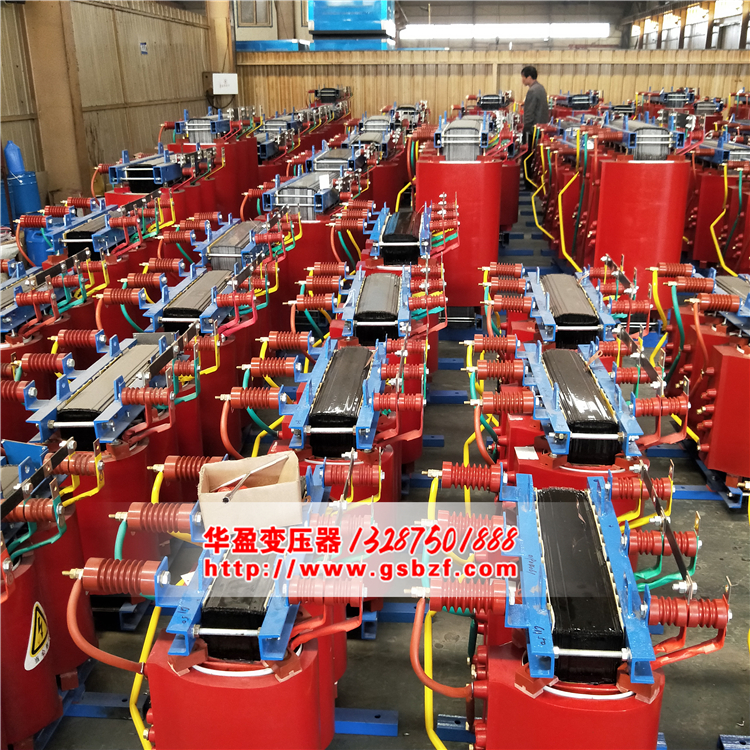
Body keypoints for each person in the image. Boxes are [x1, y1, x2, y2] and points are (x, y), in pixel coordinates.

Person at [521, 65, 549, 190]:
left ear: (529, 77)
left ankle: (528, 184)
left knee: (526, 157)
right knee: (534, 157)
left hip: (531, 130)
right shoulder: (541, 88)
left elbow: (529, 113)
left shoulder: (532, 91)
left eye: (523, 77)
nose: (522, 80)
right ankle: (532, 182)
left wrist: (525, 129)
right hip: (540, 129)